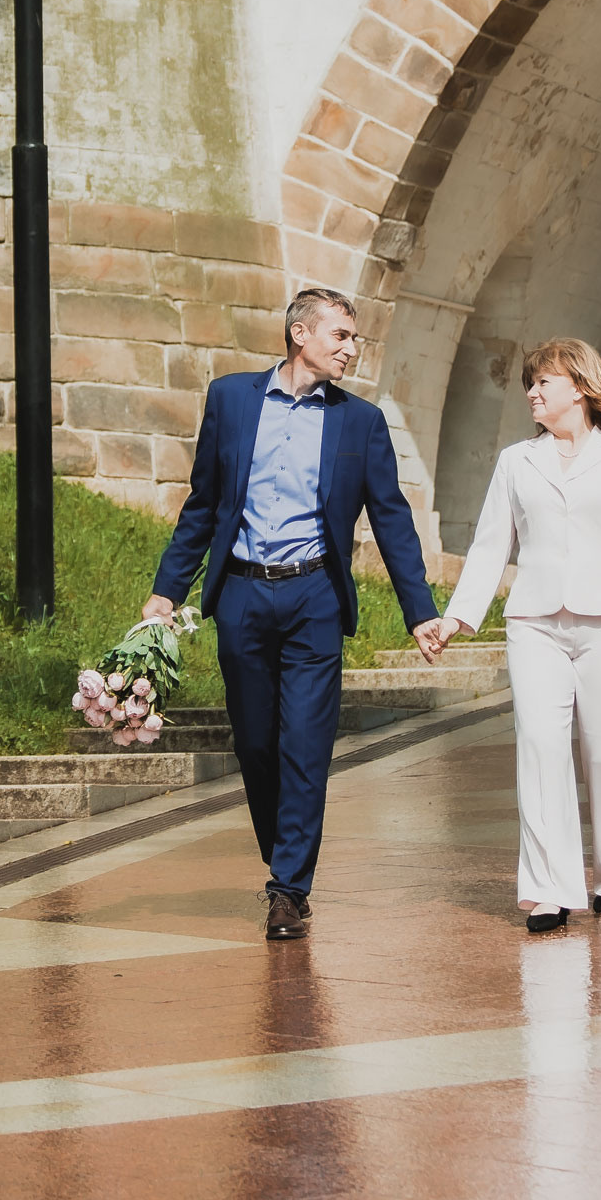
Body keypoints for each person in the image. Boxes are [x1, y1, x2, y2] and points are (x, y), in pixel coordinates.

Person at [144, 286, 444, 941]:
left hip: (313, 598)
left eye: (355, 338)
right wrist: (168, 591)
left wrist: (419, 610)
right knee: (255, 743)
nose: (351, 348)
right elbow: (202, 506)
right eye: (341, 335)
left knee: (305, 745)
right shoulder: (230, 401)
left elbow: (391, 520)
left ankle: (287, 888)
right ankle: (283, 854)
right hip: (243, 594)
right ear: (300, 334)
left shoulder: (359, 422)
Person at [441, 336, 601, 930]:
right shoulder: (518, 461)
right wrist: (458, 616)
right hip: (534, 623)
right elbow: (492, 544)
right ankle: (549, 890)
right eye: (529, 384)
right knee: (540, 749)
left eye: (544, 382)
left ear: (581, 388)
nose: (532, 394)